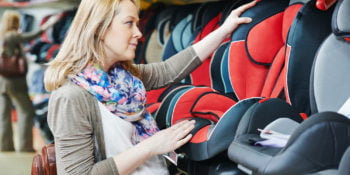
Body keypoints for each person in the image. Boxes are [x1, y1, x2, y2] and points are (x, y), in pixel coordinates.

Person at [44, 0, 256, 174]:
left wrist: (224, 30)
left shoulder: (123, 79)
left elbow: (170, 70)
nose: (139, 33)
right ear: (99, 28)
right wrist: (152, 146)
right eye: (129, 23)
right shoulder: (71, 97)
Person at [0, 10, 60, 152]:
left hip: (2, 80)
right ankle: (24, 146)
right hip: (14, 81)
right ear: (15, 22)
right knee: (26, 111)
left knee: (3, 114)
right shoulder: (12, 35)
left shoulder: (2, 35)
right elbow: (31, 36)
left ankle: (5, 145)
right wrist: (49, 24)